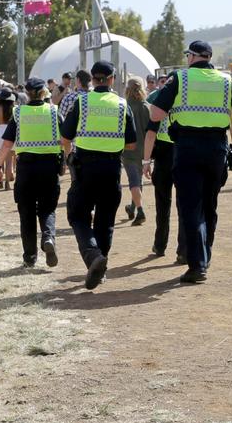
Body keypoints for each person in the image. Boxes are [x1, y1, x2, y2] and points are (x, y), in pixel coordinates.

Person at [149, 41, 232, 284]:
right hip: (217, 148)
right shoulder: (227, 80)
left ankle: (197, 266)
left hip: (186, 147)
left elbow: (156, 114)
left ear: (192, 57)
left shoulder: (180, 79)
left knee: (190, 207)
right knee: (210, 205)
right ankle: (205, 256)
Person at [60, 61, 138, 290]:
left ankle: (93, 256)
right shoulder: (123, 105)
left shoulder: (81, 101)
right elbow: (132, 144)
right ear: (113, 79)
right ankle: (100, 268)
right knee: (106, 221)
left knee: (77, 215)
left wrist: (69, 155)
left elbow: (65, 137)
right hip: (112, 168)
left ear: (92, 79)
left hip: (85, 167)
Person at [0, 78, 63, 268]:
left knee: (27, 213)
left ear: (27, 93)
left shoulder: (18, 113)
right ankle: (48, 238)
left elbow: (7, 143)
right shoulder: (53, 112)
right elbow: (66, 139)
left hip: (26, 168)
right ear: (43, 93)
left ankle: (30, 257)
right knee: (47, 208)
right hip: (49, 168)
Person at [143, 90, 182, 261]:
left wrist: (146, 161)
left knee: (162, 205)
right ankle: (184, 250)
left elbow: (150, 134)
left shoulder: (160, 107)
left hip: (163, 156)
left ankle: (160, 245)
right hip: (182, 153)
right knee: (185, 206)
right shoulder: (184, 107)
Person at [122, 78, 151, 225]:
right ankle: (132, 207)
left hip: (128, 150)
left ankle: (140, 210)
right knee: (138, 180)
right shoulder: (146, 107)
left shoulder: (124, 106)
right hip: (143, 150)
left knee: (133, 181)